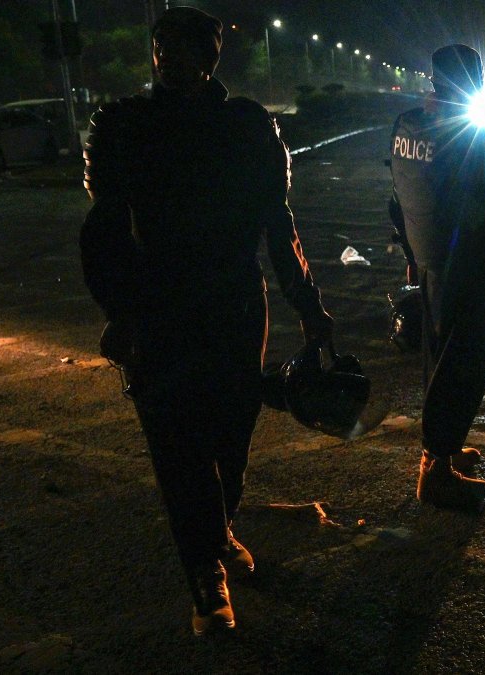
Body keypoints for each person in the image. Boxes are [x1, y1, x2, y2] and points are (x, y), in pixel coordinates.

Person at [80, 7, 333, 635]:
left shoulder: (247, 126)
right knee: (178, 448)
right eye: (161, 45)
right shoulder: (123, 125)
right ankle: (205, 579)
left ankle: (218, 529)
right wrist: (119, 312)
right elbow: (104, 229)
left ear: (211, 56)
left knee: (231, 439)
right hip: (158, 307)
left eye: (185, 46)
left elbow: (278, 223)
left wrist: (309, 305)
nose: (171, 58)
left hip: (236, 305)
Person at [388, 44, 485, 511]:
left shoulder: (408, 124)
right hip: (468, 267)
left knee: (438, 361)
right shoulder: (474, 134)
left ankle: (442, 450)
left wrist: (411, 255)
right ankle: (437, 469)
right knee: (463, 368)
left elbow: (399, 198)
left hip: (429, 263)